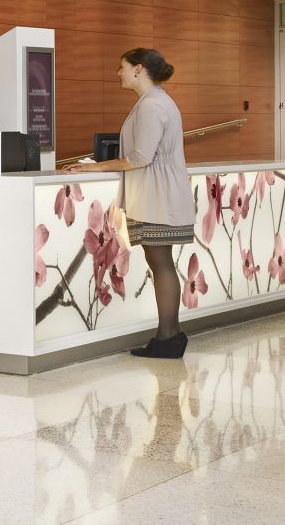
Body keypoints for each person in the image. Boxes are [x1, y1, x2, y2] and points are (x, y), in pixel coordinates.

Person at [69, 48, 194, 358]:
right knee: (161, 262)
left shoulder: (152, 105)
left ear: (139, 69)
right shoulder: (155, 101)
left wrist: (92, 167)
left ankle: (168, 338)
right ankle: (170, 335)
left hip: (157, 196)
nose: (118, 72)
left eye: (122, 67)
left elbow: (140, 158)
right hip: (158, 193)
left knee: (161, 263)